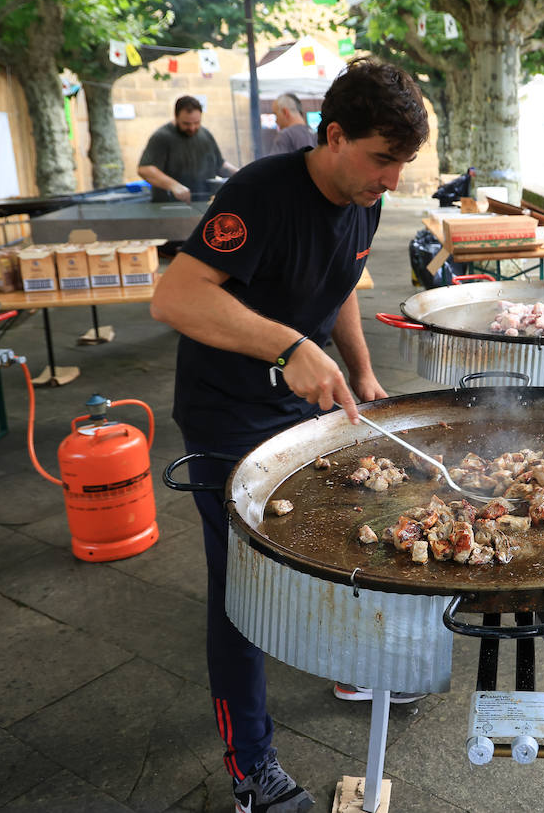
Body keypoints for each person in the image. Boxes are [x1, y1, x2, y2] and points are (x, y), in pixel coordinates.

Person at [150, 59, 429, 813]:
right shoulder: (259, 195)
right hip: (225, 411)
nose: (393, 180)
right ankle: (252, 770)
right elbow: (174, 297)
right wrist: (286, 346)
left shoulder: (365, 201)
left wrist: (362, 372)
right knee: (244, 590)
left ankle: (348, 663)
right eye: (382, 159)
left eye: (404, 164)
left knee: (349, 530)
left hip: (300, 401)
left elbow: (340, 287)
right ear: (333, 137)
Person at [137, 95, 236, 202]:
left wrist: (243, 174)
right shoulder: (162, 136)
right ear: (176, 117)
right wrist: (174, 186)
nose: (192, 128)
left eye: (197, 123)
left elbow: (219, 165)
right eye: (186, 124)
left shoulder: (205, 134)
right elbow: (145, 169)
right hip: (170, 206)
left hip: (204, 204)